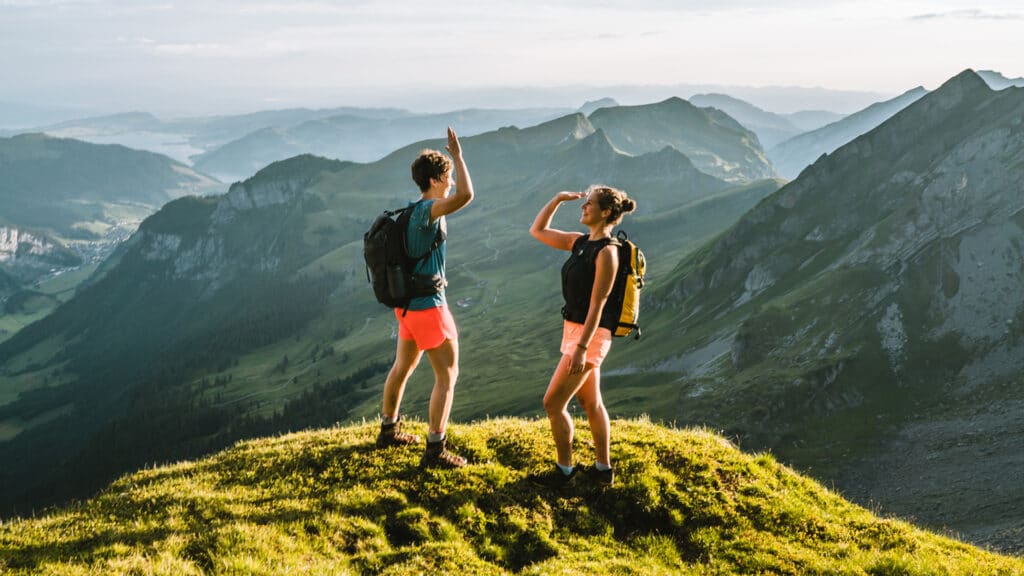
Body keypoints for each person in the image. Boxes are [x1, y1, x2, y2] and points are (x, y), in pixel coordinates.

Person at [375, 127, 474, 469]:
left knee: (403, 366)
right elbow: (466, 196)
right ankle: (436, 448)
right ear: (433, 180)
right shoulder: (428, 212)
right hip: (429, 308)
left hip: (407, 309)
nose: (449, 184)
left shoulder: (410, 211)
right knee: (447, 376)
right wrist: (458, 156)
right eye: (446, 178)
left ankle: (388, 430)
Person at [527, 185, 637, 486]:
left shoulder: (608, 254)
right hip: (575, 332)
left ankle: (564, 472)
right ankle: (603, 470)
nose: (583, 208)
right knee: (591, 403)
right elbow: (538, 230)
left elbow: (598, 305)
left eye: (589, 204)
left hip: (590, 336)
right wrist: (557, 199)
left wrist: (582, 348)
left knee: (553, 403)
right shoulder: (580, 243)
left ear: (606, 212)